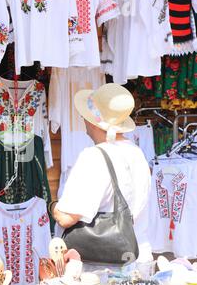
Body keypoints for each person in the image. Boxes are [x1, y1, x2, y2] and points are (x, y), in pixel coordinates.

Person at [52, 83, 153, 265]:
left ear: (93, 121)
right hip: (138, 254)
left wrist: (54, 207)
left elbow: (66, 218)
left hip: (104, 264)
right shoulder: (137, 153)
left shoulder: (94, 157)